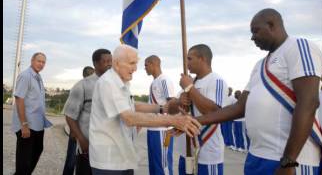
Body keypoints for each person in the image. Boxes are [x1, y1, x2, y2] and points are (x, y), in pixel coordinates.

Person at [195, 8, 322, 175]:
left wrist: (288, 161)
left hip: (289, 161)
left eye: (255, 31)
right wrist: (195, 121)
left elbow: (309, 102)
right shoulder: (259, 66)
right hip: (256, 156)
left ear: (272, 25)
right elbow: (239, 108)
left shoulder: (299, 47)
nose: (252, 37)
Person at [88, 44, 201, 175]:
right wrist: (174, 120)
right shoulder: (109, 83)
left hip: (121, 156)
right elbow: (129, 117)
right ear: (117, 63)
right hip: (110, 161)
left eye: (136, 63)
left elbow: (132, 105)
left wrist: (160, 108)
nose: (135, 68)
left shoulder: (120, 82)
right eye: (131, 63)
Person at [168, 44, 228, 175]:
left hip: (208, 153)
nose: (186, 63)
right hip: (186, 151)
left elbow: (214, 112)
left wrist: (190, 89)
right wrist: (179, 100)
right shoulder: (190, 81)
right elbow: (170, 110)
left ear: (202, 59)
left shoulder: (216, 80)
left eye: (190, 58)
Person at [63, 49, 112, 175]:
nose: (109, 64)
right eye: (105, 61)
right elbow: (69, 115)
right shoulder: (82, 86)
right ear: (95, 64)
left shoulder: (115, 85)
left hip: (109, 150)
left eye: (110, 61)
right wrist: (81, 138)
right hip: (88, 149)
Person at [11, 52, 53, 175]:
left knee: (37, 150)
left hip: (38, 124)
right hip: (27, 125)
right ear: (32, 61)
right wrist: (24, 124)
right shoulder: (25, 76)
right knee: (24, 159)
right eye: (39, 61)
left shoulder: (38, 77)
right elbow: (19, 100)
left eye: (43, 62)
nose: (41, 64)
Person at [144, 55, 176, 175]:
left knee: (163, 166)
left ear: (153, 64)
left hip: (162, 130)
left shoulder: (164, 80)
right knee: (154, 165)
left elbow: (172, 104)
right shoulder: (154, 82)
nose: (145, 68)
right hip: (152, 129)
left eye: (146, 65)